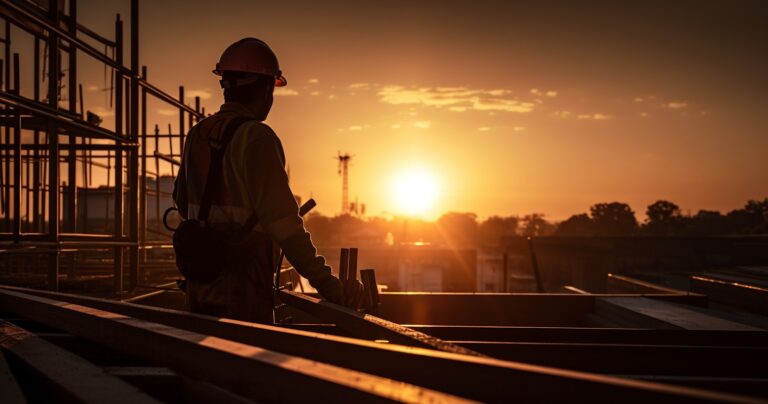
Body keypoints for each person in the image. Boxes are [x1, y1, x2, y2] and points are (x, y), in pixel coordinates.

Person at [173, 38, 361, 323]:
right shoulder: (256, 137)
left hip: (200, 282)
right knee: (245, 361)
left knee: (205, 361)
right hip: (242, 286)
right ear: (264, 88)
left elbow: (181, 198)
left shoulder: (198, 134)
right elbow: (285, 226)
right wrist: (327, 283)